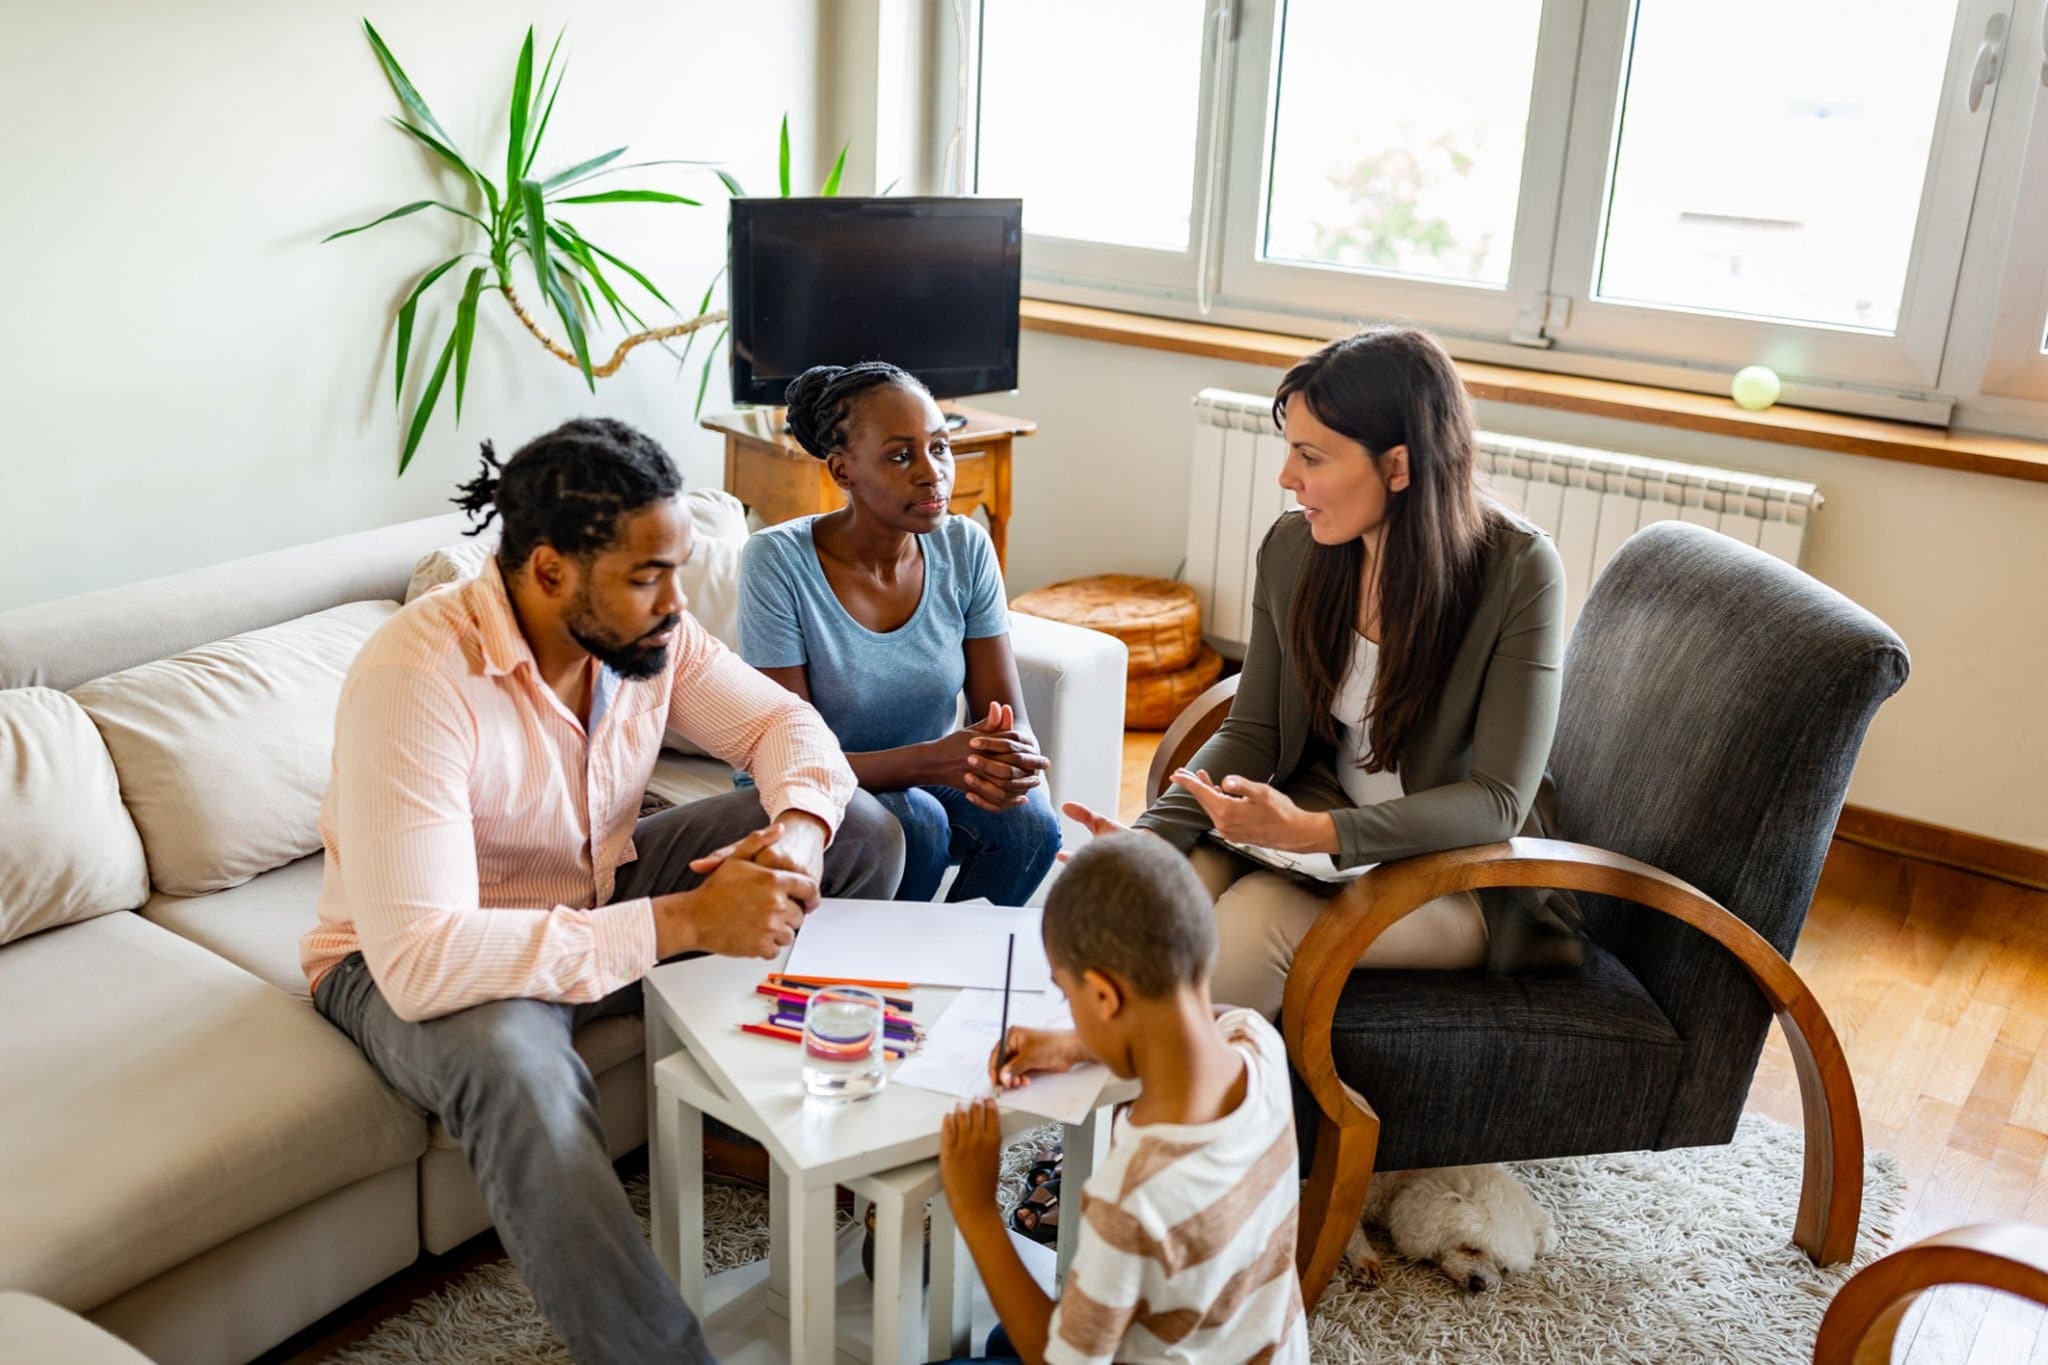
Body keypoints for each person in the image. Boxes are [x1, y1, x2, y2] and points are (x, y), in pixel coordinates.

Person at [300, 417, 905, 1365]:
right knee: (520, 1068)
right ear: (548, 572)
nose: (674, 604)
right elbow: (422, 962)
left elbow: (788, 730)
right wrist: (683, 920)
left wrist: (792, 837)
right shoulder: (417, 676)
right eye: (646, 577)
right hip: (423, 960)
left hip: (598, 893)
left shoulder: (650, 635)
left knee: (859, 830)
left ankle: (797, 1137)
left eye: (678, 569)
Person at [1062, 327, 1582, 1018]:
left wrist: (1316, 834)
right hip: (1319, 819)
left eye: (1311, 456)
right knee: (1155, 895)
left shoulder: (1517, 571)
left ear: (1399, 466)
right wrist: (1150, 834)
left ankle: (1204, 1120)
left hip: (1460, 873)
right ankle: (1114, 1108)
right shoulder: (1296, 548)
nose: (1287, 477)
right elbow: (1251, 731)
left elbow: (1495, 801)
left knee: (1254, 922)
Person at [936, 832, 1310, 1365]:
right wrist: (1075, 1044)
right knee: (1004, 1336)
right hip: (1255, 1348)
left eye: (1069, 997)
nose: (1069, 1009)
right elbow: (1213, 1016)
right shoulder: (1259, 1044)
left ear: (1106, 996)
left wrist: (975, 1210)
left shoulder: (1133, 1195)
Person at [737, 361, 1062, 905]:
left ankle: (949, 971)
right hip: (805, 786)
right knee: (918, 821)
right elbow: (792, 755)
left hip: (927, 775)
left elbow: (1006, 720)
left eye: (939, 447)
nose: (932, 473)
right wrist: (936, 760)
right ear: (843, 472)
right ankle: (873, 976)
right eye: (900, 455)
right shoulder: (777, 562)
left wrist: (1013, 760)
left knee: (1031, 826)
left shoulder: (966, 547)